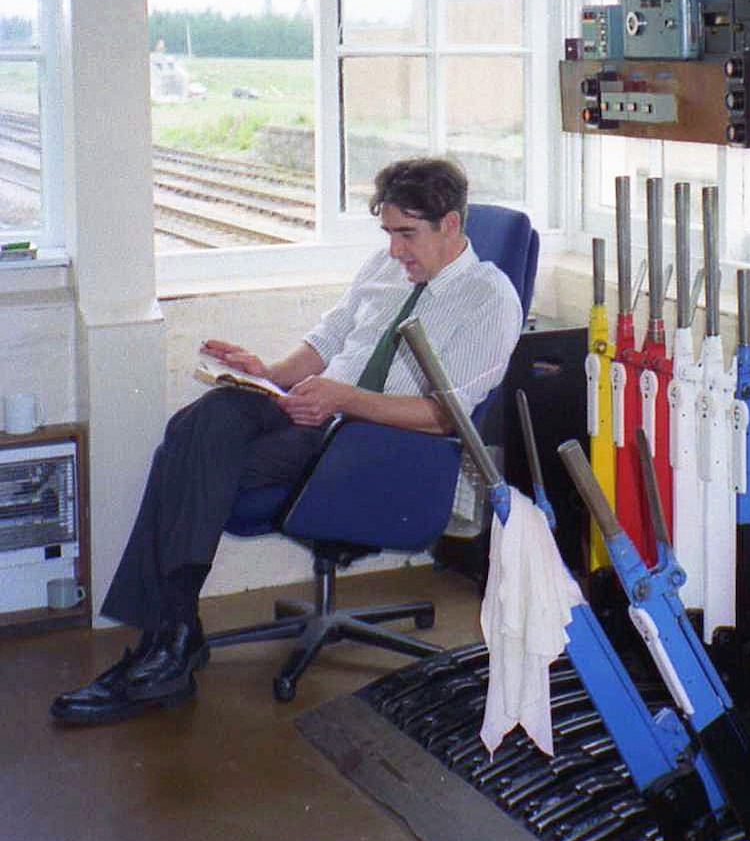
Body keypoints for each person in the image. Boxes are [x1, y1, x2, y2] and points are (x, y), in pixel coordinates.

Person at [52, 157, 524, 727]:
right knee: (206, 420)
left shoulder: (488, 298)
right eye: (389, 234)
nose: (395, 250)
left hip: (376, 445)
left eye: (408, 234)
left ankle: (168, 644)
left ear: (450, 225)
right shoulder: (384, 267)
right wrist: (264, 375)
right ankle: (171, 638)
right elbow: (324, 345)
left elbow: (446, 418)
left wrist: (341, 400)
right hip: (315, 416)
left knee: (193, 449)